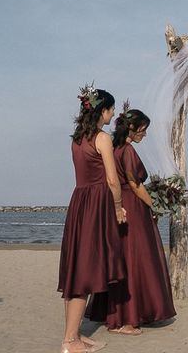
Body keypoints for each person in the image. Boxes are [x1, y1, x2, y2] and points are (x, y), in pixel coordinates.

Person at [87, 108, 176, 334]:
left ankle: (119, 313)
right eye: (143, 130)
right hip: (133, 208)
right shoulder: (126, 151)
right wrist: (154, 204)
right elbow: (135, 185)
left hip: (117, 206)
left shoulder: (113, 149)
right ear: (133, 128)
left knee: (122, 258)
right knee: (136, 259)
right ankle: (127, 318)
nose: (144, 135)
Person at [58, 85, 127, 353]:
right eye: (111, 109)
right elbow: (112, 179)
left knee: (76, 270)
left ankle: (73, 335)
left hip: (79, 202)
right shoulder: (102, 138)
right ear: (102, 110)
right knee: (84, 272)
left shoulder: (76, 139)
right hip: (96, 204)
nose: (112, 114)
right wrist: (119, 207)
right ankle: (69, 342)